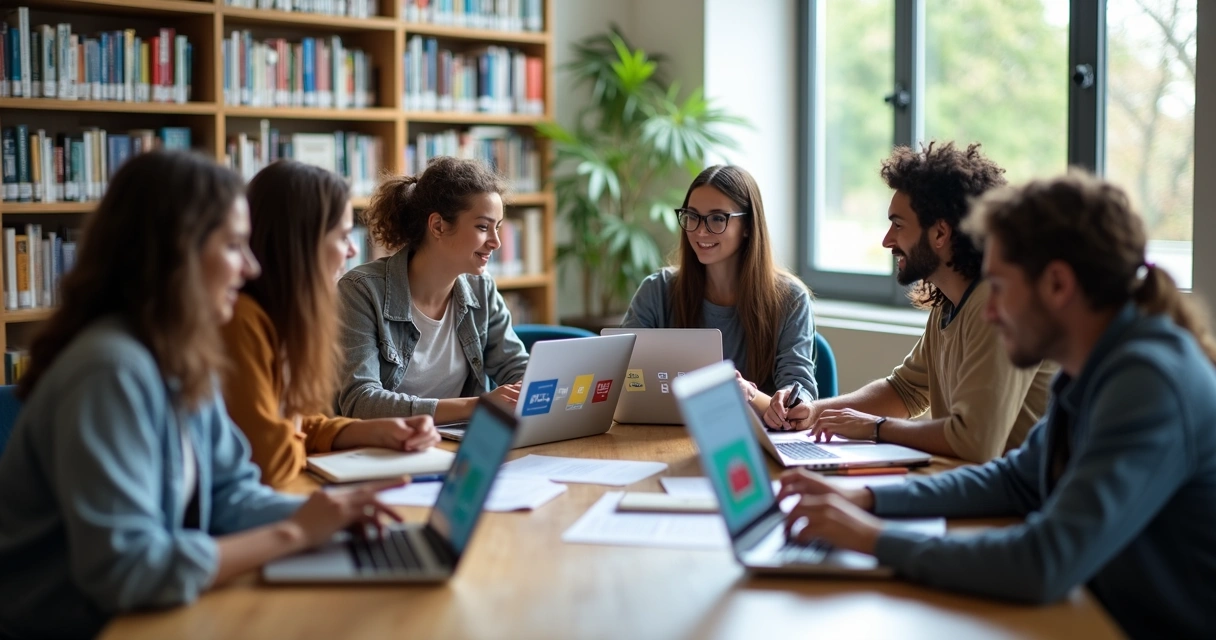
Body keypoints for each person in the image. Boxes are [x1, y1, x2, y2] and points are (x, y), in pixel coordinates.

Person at [779, 173, 1216, 639]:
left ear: (1057, 285)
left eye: (1001, 287)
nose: (988, 311)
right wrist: (866, 500)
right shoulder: (1092, 366)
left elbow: (1044, 561)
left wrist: (871, 538)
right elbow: (1015, 479)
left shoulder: (1147, 384)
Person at [0, 151, 403, 640]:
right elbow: (127, 572)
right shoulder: (109, 369)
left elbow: (228, 493)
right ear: (178, 252)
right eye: (234, 245)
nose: (251, 266)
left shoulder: (181, 353)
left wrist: (331, 514)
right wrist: (294, 532)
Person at [767, 142, 1056, 464]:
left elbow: (974, 441)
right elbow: (905, 390)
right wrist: (813, 413)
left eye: (898, 225)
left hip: (1016, 507)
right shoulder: (948, 302)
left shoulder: (995, 306)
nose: (887, 240)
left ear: (940, 233)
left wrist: (876, 428)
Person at [221, 160, 440, 488]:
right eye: (342, 236)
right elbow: (270, 463)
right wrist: (300, 438)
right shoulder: (243, 321)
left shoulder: (279, 316)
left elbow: (292, 426)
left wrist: (373, 431)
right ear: (301, 243)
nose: (352, 250)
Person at [336, 156, 528, 424]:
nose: (496, 242)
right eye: (483, 227)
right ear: (438, 226)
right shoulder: (361, 291)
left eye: (497, 228)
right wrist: (478, 406)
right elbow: (361, 401)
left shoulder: (481, 288)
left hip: (457, 444)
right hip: (387, 451)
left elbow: (517, 368)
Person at [622, 164, 817, 410]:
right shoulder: (656, 291)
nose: (701, 231)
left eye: (717, 218)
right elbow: (622, 374)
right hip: (666, 434)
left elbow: (798, 393)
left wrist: (749, 394)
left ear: (747, 226)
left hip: (754, 440)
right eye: (692, 216)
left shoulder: (790, 298)